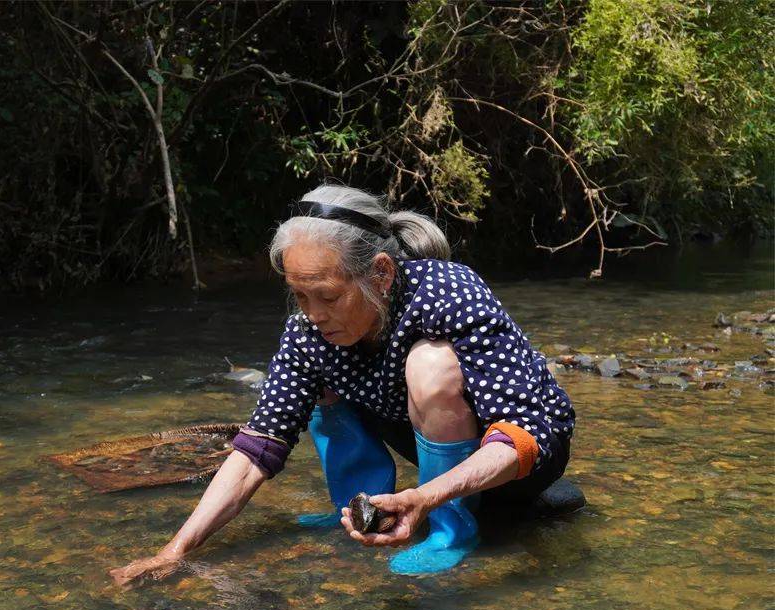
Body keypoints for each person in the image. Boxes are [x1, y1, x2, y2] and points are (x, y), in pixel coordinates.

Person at [110, 184, 575, 584]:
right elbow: (256, 451)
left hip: (522, 458)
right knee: (318, 372)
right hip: (438, 457)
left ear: (381, 273)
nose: (312, 314)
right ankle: (357, 513)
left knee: (430, 365)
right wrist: (176, 549)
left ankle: (452, 529)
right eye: (299, 296)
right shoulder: (309, 332)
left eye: (328, 296)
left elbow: (531, 432)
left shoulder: (450, 293)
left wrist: (425, 499)